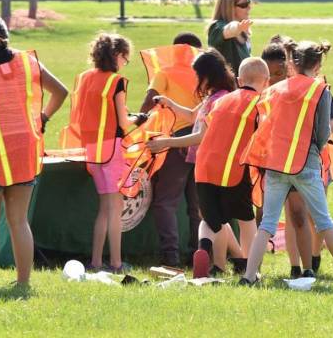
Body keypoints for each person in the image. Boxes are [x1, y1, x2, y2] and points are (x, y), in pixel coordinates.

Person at [0, 13, 68, 289]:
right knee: (19, 220)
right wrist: (42, 118)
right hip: (25, 147)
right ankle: (22, 283)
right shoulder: (27, 61)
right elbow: (61, 92)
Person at [239, 40, 333, 287]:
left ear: (292, 63)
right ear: (317, 65)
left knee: (267, 224)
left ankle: (249, 276)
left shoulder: (275, 89)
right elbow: (322, 132)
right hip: (306, 163)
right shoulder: (320, 90)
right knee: (323, 220)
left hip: (275, 164)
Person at [147, 49, 246, 274]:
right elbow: (193, 116)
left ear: (207, 75)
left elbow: (202, 135)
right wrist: (169, 102)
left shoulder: (219, 99)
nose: (196, 81)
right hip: (205, 162)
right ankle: (238, 260)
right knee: (210, 216)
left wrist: (167, 143)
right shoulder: (212, 97)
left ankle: (220, 264)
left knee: (211, 217)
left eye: (198, 75)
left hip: (213, 163)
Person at [65, 33, 147, 273]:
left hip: (92, 149)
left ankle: (97, 261)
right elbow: (123, 122)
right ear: (116, 56)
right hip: (112, 149)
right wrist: (139, 118)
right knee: (115, 207)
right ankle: (116, 263)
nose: (124, 63)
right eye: (125, 58)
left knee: (103, 208)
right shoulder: (116, 81)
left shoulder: (84, 78)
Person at [261, 36, 333, 278]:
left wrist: (311, 139)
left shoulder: (318, 88)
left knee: (313, 215)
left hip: (310, 160)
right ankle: (296, 266)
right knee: (293, 214)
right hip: (283, 161)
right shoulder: (280, 90)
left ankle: (314, 259)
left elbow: (332, 123)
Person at [183, 57, 269, 278]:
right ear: (266, 82)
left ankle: (205, 252)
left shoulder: (220, 101)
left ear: (239, 80)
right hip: (233, 169)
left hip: (203, 168)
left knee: (212, 220)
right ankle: (250, 268)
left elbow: (207, 131)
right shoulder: (260, 103)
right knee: (246, 219)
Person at [138, 33, 203, 267]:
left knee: (165, 201)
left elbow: (150, 100)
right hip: (201, 139)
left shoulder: (164, 72)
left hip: (175, 141)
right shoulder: (204, 73)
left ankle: (171, 256)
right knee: (197, 206)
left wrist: (138, 124)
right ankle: (199, 255)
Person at [207, 0, 252, 75]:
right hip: (226, 88)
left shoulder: (243, 30)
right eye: (244, 4)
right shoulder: (216, 27)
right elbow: (229, 29)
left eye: (249, 2)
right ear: (230, 7)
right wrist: (238, 27)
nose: (249, 7)